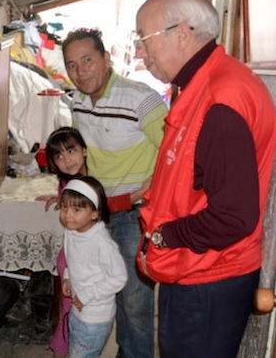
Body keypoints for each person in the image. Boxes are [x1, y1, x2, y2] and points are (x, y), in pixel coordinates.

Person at [134, 0, 276, 358]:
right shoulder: (203, 85)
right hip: (197, 269)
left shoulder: (221, 99)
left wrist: (166, 235)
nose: (139, 53)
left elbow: (233, 216)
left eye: (144, 40)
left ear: (182, 34)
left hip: (209, 277)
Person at [62, 28, 168, 358]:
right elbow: (84, 157)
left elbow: (173, 153)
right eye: (72, 65)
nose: (81, 72)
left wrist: (138, 195)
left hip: (133, 213)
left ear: (107, 59)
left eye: (88, 60)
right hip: (98, 212)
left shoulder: (140, 97)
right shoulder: (77, 101)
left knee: (134, 301)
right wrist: (68, 191)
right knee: (103, 285)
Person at [41, 127, 149, 358]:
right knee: (69, 311)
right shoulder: (66, 185)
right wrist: (61, 200)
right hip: (72, 256)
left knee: (87, 308)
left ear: (84, 150)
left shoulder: (101, 178)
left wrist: (140, 192)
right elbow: (70, 200)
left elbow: (109, 204)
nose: (67, 159)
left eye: (71, 151)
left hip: (88, 256)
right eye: (59, 156)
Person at [59, 177, 127, 358]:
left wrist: (88, 294)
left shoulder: (102, 243)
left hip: (95, 318)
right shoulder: (71, 230)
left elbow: (119, 277)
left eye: (77, 209)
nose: (67, 215)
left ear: (95, 213)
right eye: (64, 206)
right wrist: (68, 276)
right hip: (78, 311)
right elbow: (73, 258)